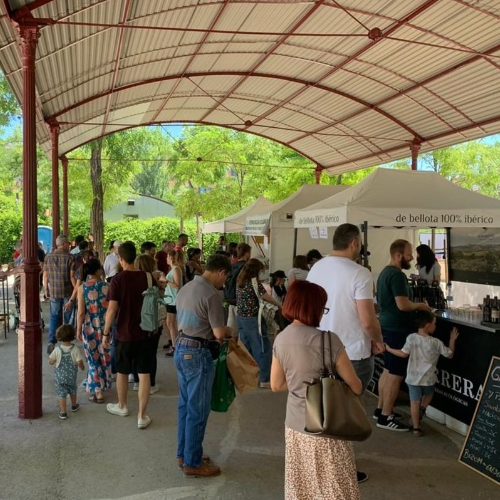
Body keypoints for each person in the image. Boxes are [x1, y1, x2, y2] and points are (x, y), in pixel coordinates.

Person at [271, 281, 362, 500]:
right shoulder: (329, 341)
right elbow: (356, 386)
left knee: (301, 488)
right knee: (335, 488)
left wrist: (299, 384)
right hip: (328, 425)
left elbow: (276, 385)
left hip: (295, 426)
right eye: (322, 307)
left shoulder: (281, 339)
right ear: (313, 308)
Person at [307, 223, 384, 483]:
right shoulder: (360, 273)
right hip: (352, 352)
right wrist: (378, 340)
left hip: (319, 347)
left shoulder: (317, 268)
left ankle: (323, 465)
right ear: (354, 243)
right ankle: (340, 470)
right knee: (347, 415)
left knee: (324, 409)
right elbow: (368, 320)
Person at [175, 254, 234, 478]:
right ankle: (193, 461)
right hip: (199, 353)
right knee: (198, 410)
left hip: (181, 347)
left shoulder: (186, 287)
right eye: (225, 278)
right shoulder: (211, 294)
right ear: (222, 272)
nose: (224, 283)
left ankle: (185, 453)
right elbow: (219, 333)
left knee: (185, 406)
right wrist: (230, 331)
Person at [376, 239, 432, 432]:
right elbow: (403, 305)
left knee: (387, 369)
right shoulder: (398, 275)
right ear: (399, 255)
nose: (411, 258)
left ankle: (381, 408)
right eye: (409, 254)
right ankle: (385, 417)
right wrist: (420, 306)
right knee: (396, 374)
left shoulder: (384, 272)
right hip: (398, 328)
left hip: (387, 325)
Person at [103, 242, 154, 430]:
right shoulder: (147, 277)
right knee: (144, 374)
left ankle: (122, 406)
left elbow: (111, 310)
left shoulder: (117, 280)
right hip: (145, 332)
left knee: (123, 372)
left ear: (120, 258)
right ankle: (142, 416)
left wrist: (105, 332)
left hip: (123, 333)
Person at [385, 310, 458, 436]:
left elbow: (403, 354)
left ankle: (416, 428)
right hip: (429, 379)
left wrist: (389, 349)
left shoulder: (411, 338)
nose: (436, 326)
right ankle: (422, 409)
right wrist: (452, 340)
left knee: (414, 402)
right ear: (428, 325)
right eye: (434, 323)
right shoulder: (436, 342)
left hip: (413, 378)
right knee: (429, 394)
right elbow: (450, 355)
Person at [236, 258, 282, 388]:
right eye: (261, 269)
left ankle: (244, 376)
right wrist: (280, 305)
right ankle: (264, 379)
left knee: (246, 348)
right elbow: (265, 297)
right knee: (262, 347)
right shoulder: (253, 282)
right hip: (253, 319)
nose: (262, 272)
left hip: (241, 318)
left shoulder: (239, 280)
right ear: (256, 270)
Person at [76, 259, 112, 404]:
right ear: (97, 270)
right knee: (104, 356)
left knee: (92, 358)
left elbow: (80, 312)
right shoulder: (107, 286)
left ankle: (97, 391)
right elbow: (112, 309)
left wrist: (78, 329)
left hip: (89, 328)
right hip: (105, 328)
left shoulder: (82, 288)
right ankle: (102, 385)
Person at [130, 254, 163, 395]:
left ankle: (136, 379)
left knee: (135, 351)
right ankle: (151, 383)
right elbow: (160, 298)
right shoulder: (151, 280)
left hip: (133, 321)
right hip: (150, 321)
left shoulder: (128, 278)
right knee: (150, 353)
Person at [43, 235, 76, 355]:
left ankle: (51, 341)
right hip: (68, 291)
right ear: (64, 244)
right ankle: (66, 342)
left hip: (54, 292)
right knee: (67, 317)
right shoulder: (70, 257)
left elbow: (45, 276)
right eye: (68, 243)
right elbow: (72, 277)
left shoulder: (48, 257)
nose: (69, 245)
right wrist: (76, 290)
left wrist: (46, 289)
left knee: (54, 316)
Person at [49, 324, 85, 420]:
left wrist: (52, 360)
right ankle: (74, 405)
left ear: (59, 337)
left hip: (60, 377)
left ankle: (63, 412)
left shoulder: (57, 350)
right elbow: (79, 362)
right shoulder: (75, 349)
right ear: (73, 336)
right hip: (71, 377)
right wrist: (82, 367)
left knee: (62, 394)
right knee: (73, 390)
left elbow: (51, 362)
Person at [224, 243, 252, 335]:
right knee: (245, 333)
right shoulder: (246, 267)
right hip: (242, 303)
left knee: (232, 332)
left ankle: (232, 349)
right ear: (247, 253)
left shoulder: (231, 266)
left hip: (230, 301)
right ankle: (241, 349)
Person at [164, 250, 184, 357]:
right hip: (170, 299)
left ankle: (175, 346)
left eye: (167, 256)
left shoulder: (176, 269)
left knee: (171, 323)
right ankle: (174, 343)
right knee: (169, 323)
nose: (166, 258)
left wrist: (165, 280)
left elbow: (177, 285)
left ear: (171, 258)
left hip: (174, 300)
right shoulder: (173, 269)